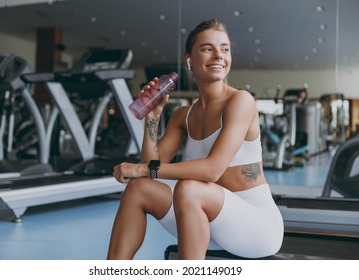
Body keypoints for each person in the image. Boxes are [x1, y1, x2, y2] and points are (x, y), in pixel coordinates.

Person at [108, 19, 284, 260]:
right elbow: (152, 166)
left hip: (255, 228)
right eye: (207, 48)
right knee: (138, 188)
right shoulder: (183, 115)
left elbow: (211, 170)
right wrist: (152, 118)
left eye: (224, 49)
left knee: (189, 188)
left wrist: (141, 169)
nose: (218, 56)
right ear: (189, 58)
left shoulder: (241, 101)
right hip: (204, 222)